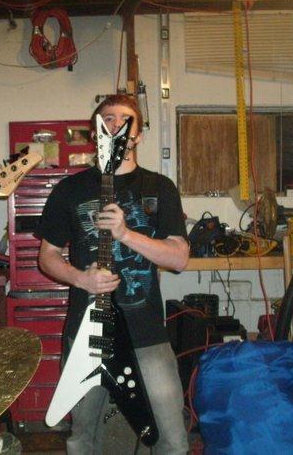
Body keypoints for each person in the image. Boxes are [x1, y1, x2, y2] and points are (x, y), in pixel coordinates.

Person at [37, 94, 190, 454]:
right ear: (95, 132)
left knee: (172, 440)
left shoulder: (159, 188)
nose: (117, 124)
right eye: (108, 118)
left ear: (138, 134)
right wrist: (81, 278)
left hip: (146, 333)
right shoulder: (69, 190)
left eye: (126, 119)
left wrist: (125, 234)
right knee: (82, 439)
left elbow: (179, 258)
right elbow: (47, 257)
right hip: (87, 332)